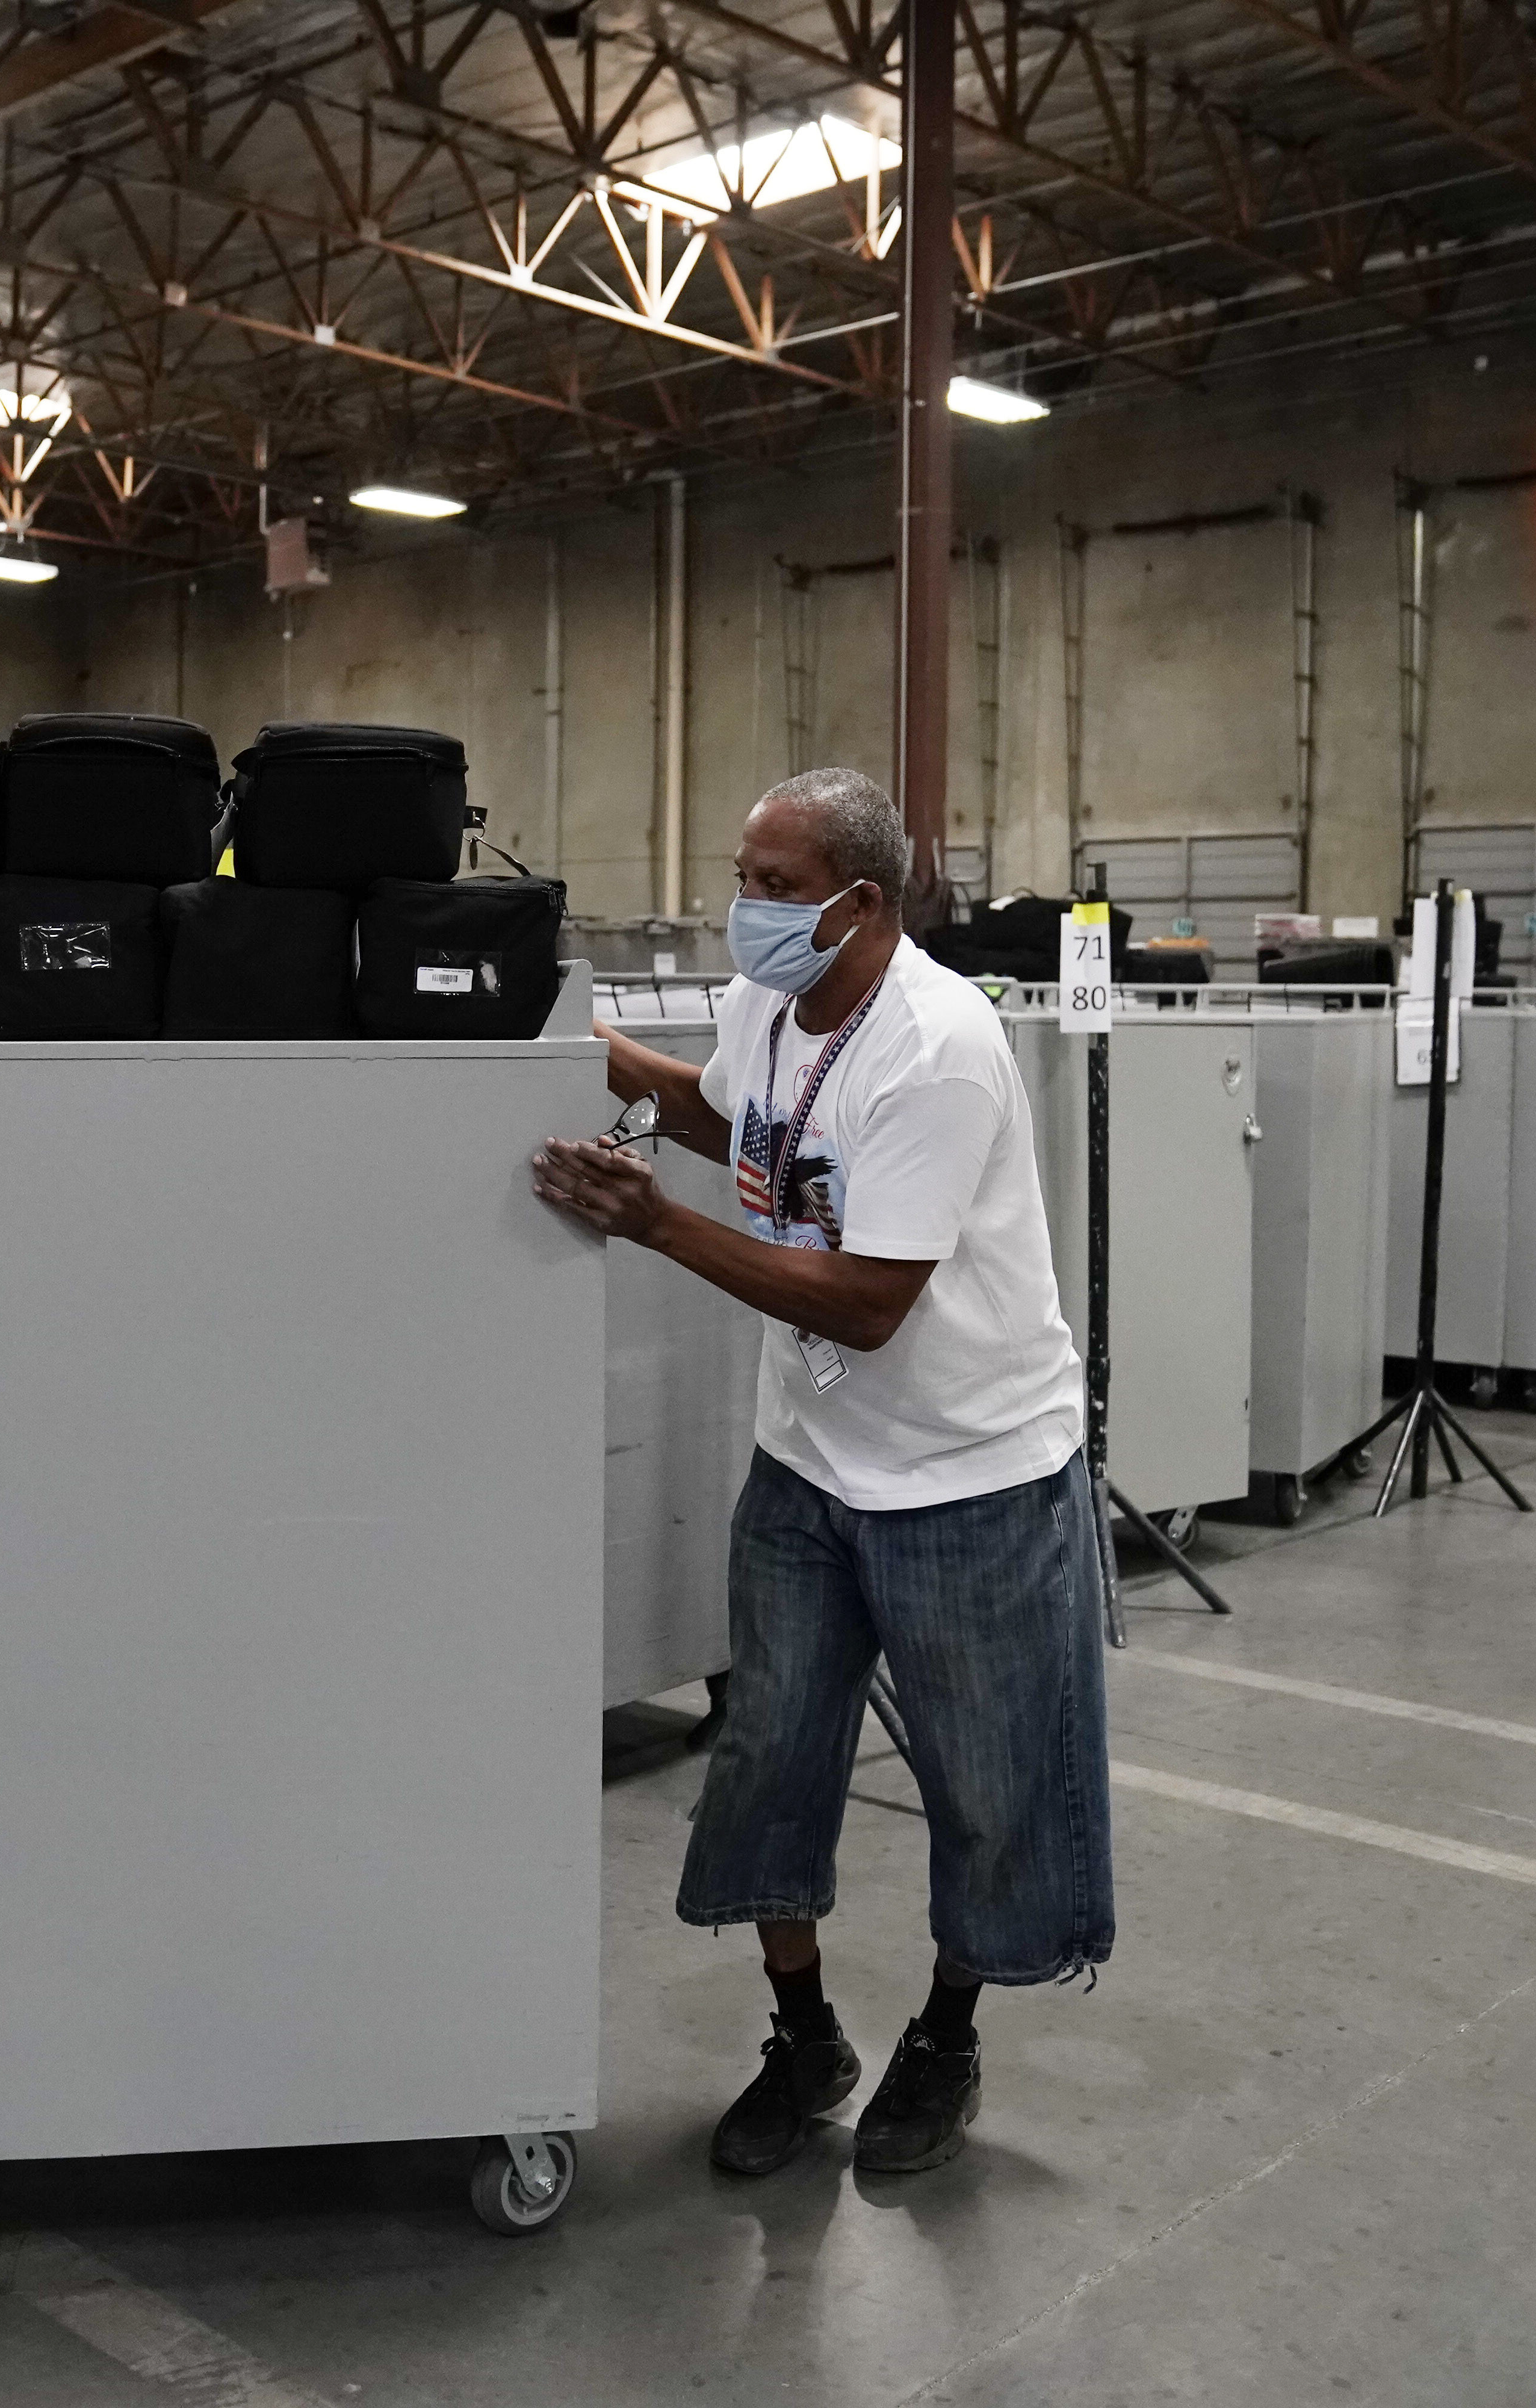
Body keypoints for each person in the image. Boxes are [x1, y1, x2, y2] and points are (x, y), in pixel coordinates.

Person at [530, 765, 1113, 2177]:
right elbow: (757, 1133)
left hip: (969, 1468)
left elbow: (861, 1301)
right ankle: (805, 2035)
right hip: (809, 1461)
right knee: (771, 1758)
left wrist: (652, 1226)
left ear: (863, 904)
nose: (745, 909)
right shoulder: (766, 1006)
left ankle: (946, 2037)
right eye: (741, 876)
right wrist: (588, 1045)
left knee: (986, 1780)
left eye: (775, 885)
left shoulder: (941, 1043)